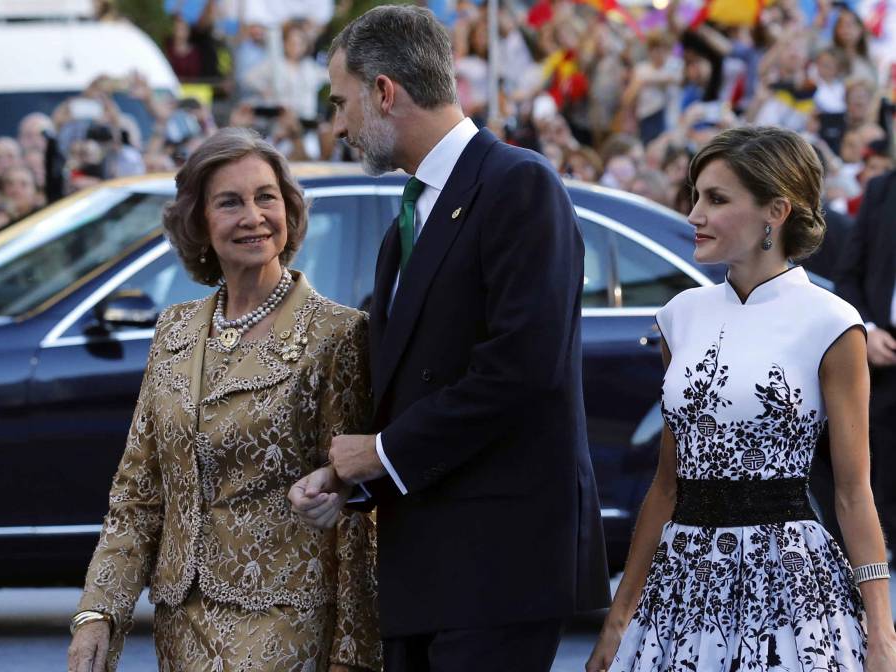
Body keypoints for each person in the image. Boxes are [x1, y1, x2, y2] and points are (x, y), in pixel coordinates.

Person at [289, 6, 609, 672]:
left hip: (499, 565)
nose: (337, 126)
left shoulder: (518, 186)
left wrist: (381, 453)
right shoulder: (407, 219)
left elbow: (521, 371)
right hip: (429, 565)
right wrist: (347, 474)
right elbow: (410, 381)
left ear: (384, 91)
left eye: (340, 103)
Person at [66, 127, 381, 672]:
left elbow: (358, 512)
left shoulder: (338, 335)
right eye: (229, 202)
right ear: (199, 223)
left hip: (287, 624)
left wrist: (354, 655)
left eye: (266, 197)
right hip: (182, 624)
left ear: (290, 210)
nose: (253, 216)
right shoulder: (174, 330)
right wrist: (98, 612)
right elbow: (138, 494)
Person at [586, 126, 896, 672]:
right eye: (696, 196)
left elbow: (852, 492)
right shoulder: (680, 316)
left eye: (717, 199)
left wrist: (882, 634)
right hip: (682, 586)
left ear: (774, 211)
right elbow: (666, 485)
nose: (694, 215)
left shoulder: (832, 322)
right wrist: (618, 619)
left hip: (791, 590)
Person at [835, 166, 896, 567]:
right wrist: (868, 330)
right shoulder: (881, 190)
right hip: (885, 350)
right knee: (883, 454)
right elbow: (848, 275)